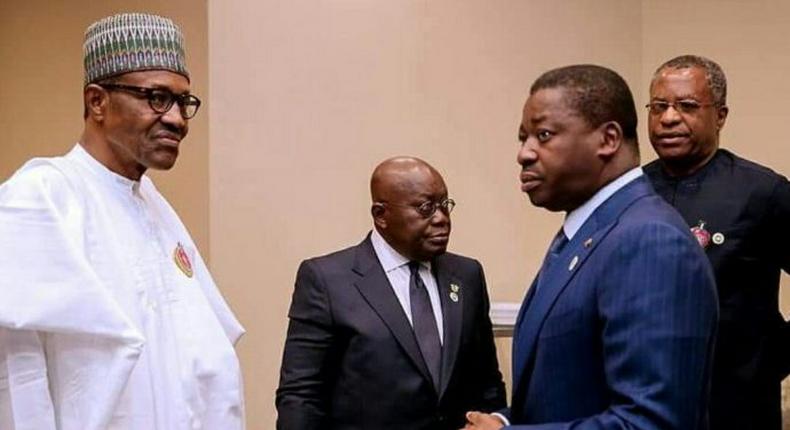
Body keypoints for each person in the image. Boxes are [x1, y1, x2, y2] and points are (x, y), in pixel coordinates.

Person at [0, 13, 244, 430]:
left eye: (184, 102)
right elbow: (18, 375)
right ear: (97, 101)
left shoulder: (153, 205)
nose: (177, 119)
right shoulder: (42, 197)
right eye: (156, 97)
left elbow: (202, 358)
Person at [464, 64, 718, 429]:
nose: (525, 153)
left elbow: (652, 423)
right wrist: (504, 422)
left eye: (544, 134)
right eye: (524, 138)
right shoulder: (586, 235)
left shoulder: (649, 241)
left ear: (608, 139)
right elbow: (561, 396)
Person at [276, 156, 506, 429]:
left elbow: (487, 383)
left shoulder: (467, 275)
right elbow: (301, 395)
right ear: (381, 215)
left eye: (445, 205)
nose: (441, 219)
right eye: (425, 208)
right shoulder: (327, 280)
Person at [644, 54, 790, 430]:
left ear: (721, 115)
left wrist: (774, 356)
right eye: (659, 107)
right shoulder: (629, 192)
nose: (669, 118)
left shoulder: (762, 192)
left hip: (736, 406)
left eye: (687, 106)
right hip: (643, 406)